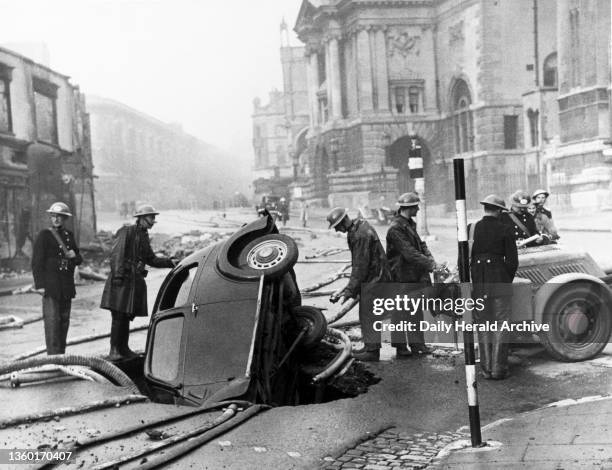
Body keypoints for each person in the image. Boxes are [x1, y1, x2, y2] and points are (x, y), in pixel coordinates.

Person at [100, 204, 176, 360]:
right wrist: (118, 277)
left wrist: (171, 262)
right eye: (151, 217)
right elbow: (117, 255)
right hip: (121, 280)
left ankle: (123, 348)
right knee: (118, 315)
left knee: (126, 315)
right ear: (141, 218)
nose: (153, 221)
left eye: (154, 218)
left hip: (132, 282)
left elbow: (151, 259)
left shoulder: (143, 235)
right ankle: (114, 351)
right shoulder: (127, 231)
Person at [327, 207, 391, 361]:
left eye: (337, 226)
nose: (337, 230)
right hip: (375, 277)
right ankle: (370, 346)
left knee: (369, 314)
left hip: (375, 279)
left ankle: (372, 351)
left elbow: (360, 266)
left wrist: (349, 291)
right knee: (370, 313)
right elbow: (358, 264)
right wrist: (349, 288)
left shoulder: (360, 234)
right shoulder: (358, 228)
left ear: (343, 222)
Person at [469, 195, 518, 379]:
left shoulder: (471, 229)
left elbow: (463, 259)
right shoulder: (505, 229)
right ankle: (499, 369)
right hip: (500, 281)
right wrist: (505, 279)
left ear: (485, 208)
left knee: (483, 324)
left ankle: (486, 369)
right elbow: (513, 261)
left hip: (479, 284)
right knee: (501, 324)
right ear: (498, 210)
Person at [386, 192, 437, 356]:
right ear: (409, 208)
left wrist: (431, 259)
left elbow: (421, 246)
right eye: (416, 206)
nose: (418, 209)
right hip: (401, 276)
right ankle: (401, 348)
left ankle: (417, 345)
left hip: (412, 275)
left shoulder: (409, 224)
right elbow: (410, 253)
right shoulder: (395, 229)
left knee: (415, 311)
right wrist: (430, 264)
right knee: (400, 313)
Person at [32, 202, 83, 354]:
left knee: (64, 321)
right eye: (53, 216)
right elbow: (36, 262)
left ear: (65, 219)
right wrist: (40, 285)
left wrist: (75, 256)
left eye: (59, 217)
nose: (56, 219)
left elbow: (78, 259)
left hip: (66, 286)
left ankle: (61, 354)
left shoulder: (69, 236)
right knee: (53, 322)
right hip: (51, 285)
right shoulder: (44, 235)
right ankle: (53, 357)